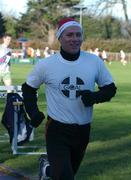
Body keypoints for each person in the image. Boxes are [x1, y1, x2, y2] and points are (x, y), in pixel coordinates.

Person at [21, 17, 117, 180]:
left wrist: (94, 97)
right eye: (69, 35)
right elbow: (28, 89)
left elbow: (109, 89)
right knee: (65, 176)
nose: (75, 39)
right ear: (60, 38)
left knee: (68, 172)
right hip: (56, 129)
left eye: (78, 35)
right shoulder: (46, 64)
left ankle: (47, 170)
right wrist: (33, 112)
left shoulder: (94, 61)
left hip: (83, 129)